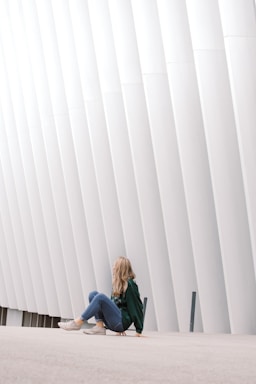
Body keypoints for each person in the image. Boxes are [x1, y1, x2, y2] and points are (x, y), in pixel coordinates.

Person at [58, 256, 144, 336]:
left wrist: (139, 330)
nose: (113, 268)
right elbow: (113, 305)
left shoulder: (130, 285)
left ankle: (77, 322)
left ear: (120, 269)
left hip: (120, 322)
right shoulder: (118, 284)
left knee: (101, 297)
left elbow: (136, 307)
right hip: (115, 322)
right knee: (93, 294)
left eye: (115, 266)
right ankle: (99, 327)